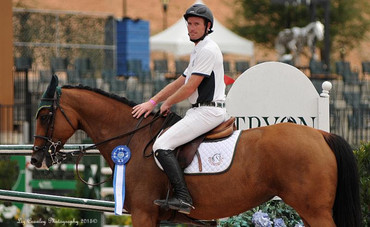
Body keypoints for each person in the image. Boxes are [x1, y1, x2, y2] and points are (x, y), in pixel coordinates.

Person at [132, 3, 228, 214]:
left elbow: (190, 87)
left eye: (196, 24)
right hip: (199, 110)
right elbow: (179, 82)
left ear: (207, 26)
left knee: (161, 145)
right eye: (189, 24)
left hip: (208, 111)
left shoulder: (208, 50)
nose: (191, 28)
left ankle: (183, 197)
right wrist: (152, 102)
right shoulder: (199, 50)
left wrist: (167, 104)